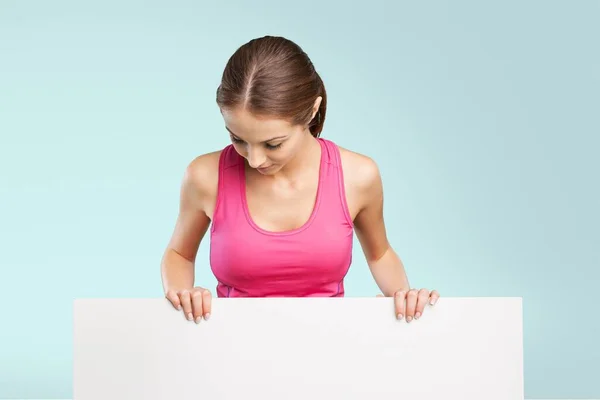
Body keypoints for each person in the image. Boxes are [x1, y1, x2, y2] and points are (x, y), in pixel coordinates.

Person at [161, 35, 440, 324]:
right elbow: (179, 253)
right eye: (238, 139)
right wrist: (183, 295)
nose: (254, 160)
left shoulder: (358, 176)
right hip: (234, 349)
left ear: (312, 111)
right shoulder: (205, 176)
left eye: (273, 144)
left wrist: (405, 299)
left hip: (329, 344)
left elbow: (380, 254)